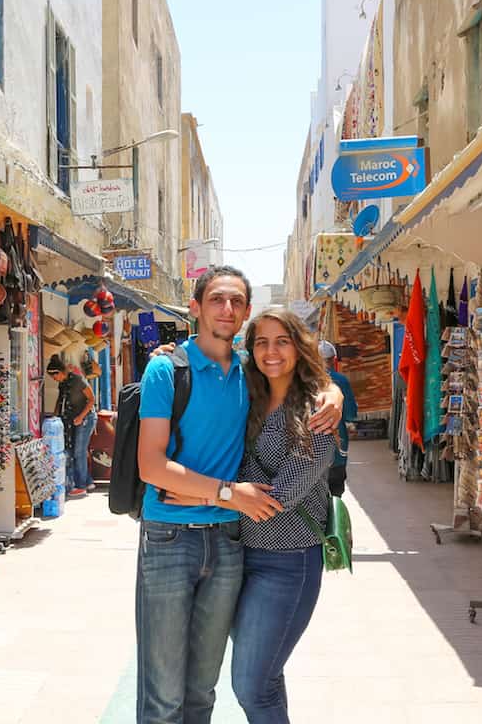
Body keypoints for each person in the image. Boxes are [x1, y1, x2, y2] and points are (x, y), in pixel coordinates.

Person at [135, 266, 344, 724]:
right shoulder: (185, 372)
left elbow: (276, 493)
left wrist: (333, 392)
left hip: (248, 549)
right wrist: (226, 494)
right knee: (166, 693)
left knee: (224, 684)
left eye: (235, 302)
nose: (226, 310)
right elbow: (151, 466)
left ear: (245, 311)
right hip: (182, 541)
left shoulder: (275, 390)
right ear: (195, 308)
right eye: (216, 299)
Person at [47, 354, 97, 498]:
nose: (54, 379)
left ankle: (81, 485)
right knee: (75, 450)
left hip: (86, 418)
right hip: (74, 419)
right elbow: (60, 400)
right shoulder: (63, 383)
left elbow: (92, 399)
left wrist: (81, 417)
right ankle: (87, 481)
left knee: (78, 451)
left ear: (60, 372)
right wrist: (55, 416)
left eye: (54, 376)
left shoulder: (77, 380)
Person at [318, 340, 358, 496]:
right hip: (337, 443)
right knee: (336, 490)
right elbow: (349, 412)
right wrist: (350, 425)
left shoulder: (306, 381)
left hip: (312, 449)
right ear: (333, 360)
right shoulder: (341, 380)